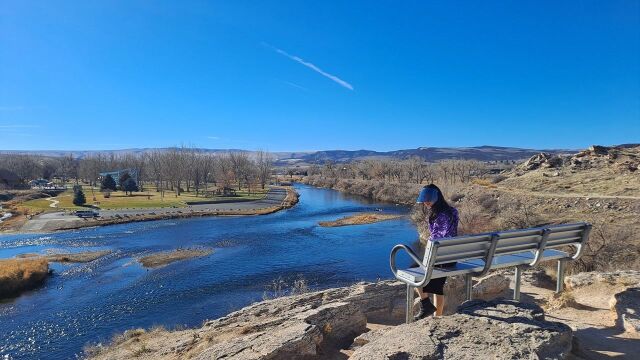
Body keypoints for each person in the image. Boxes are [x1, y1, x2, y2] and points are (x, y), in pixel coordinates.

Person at [414, 184, 459, 320]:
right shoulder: (452, 211)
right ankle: (437, 316)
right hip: (451, 256)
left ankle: (426, 304)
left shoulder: (437, 214)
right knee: (437, 287)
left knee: (414, 273)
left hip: (439, 256)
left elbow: (437, 238)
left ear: (436, 197)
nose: (426, 202)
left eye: (428, 199)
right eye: (424, 199)